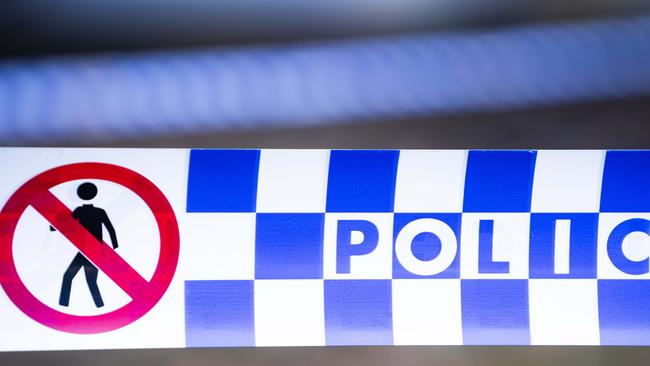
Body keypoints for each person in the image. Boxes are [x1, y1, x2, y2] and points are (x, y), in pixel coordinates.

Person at [58, 182, 119, 308]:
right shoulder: (99, 211)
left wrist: (52, 226)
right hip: (93, 251)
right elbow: (111, 229)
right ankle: (99, 306)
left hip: (87, 250)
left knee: (69, 276)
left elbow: (66, 225)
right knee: (89, 281)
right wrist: (114, 247)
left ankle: (64, 304)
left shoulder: (79, 211)